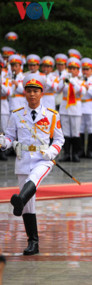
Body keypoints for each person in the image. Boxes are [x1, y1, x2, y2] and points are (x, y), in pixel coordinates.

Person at [0, 73, 65, 255]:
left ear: (41, 93)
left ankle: (20, 198)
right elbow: (10, 136)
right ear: (25, 94)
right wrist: (3, 142)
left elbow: (59, 140)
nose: (32, 94)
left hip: (42, 159)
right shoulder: (17, 115)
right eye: (28, 91)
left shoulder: (52, 115)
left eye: (35, 91)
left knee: (35, 179)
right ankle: (33, 242)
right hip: (23, 158)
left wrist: (51, 152)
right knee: (28, 205)